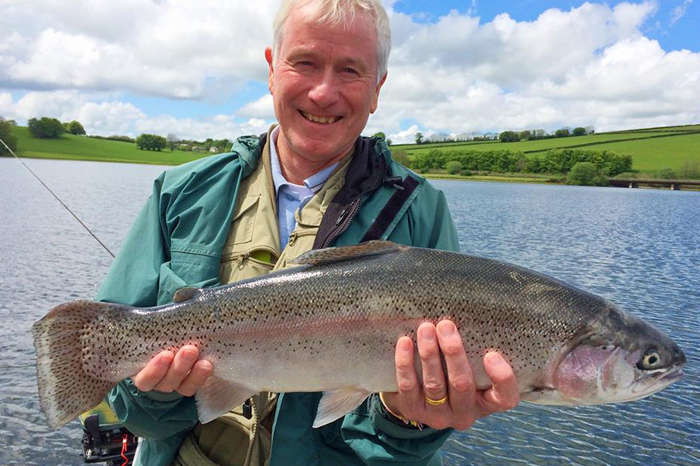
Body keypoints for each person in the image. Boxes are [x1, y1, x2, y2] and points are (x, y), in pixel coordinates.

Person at [96, 0, 520, 465]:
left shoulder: (421, 211)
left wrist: (409, 419)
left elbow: (396, 450)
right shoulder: (179, 193)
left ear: (377, 89)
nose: (323, 92)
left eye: (351, 70)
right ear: (272, 69)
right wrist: (155, 394)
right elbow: (129, 409)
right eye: (305, 62)